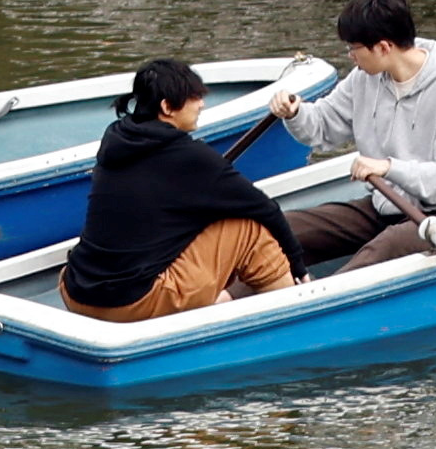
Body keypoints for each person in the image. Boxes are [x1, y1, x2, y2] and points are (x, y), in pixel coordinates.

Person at [261, 0, 436, 273]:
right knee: (284, 228)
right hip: (387, 204)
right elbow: (322, 129)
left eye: (354, 48)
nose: (350, 55)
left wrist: (388, 168)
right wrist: (296, 112)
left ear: (383, 47)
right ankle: (224, 300)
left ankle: (315, 306)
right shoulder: (365, 78)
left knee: (382, 250)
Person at [59, 57, 297, 322]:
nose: (202, 104)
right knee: (248, 229)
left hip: (75, 291)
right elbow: (266, 209)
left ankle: (217, 300)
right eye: (194, 98)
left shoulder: (116, 138)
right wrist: (298, 266)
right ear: (167, 107)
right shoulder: (189, 156)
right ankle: (294, 310)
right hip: (131, 303)